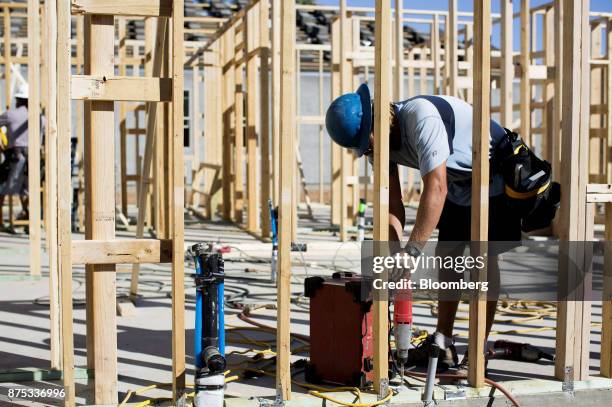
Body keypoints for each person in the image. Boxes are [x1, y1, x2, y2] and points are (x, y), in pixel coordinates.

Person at [325, 83, 521, 376]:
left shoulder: (421, 117)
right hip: (459, 180)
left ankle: (478, 351)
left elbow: (436, 186)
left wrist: (413, 250)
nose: (369, 151)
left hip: (494, 172)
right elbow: (392, 202)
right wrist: (392, 257)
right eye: (364, 149)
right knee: (448, 255)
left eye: (368, 144)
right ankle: (444, 342)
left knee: (481, 259)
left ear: (377, 123)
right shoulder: (377, 144)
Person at [0, 83, 32, 226]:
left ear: (18, 100)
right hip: (33, 158)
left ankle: (0, 221)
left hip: (14, 156)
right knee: (27, 189)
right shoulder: (38, 117)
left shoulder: (10, 114)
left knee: (2, 187)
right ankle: (30, 217)